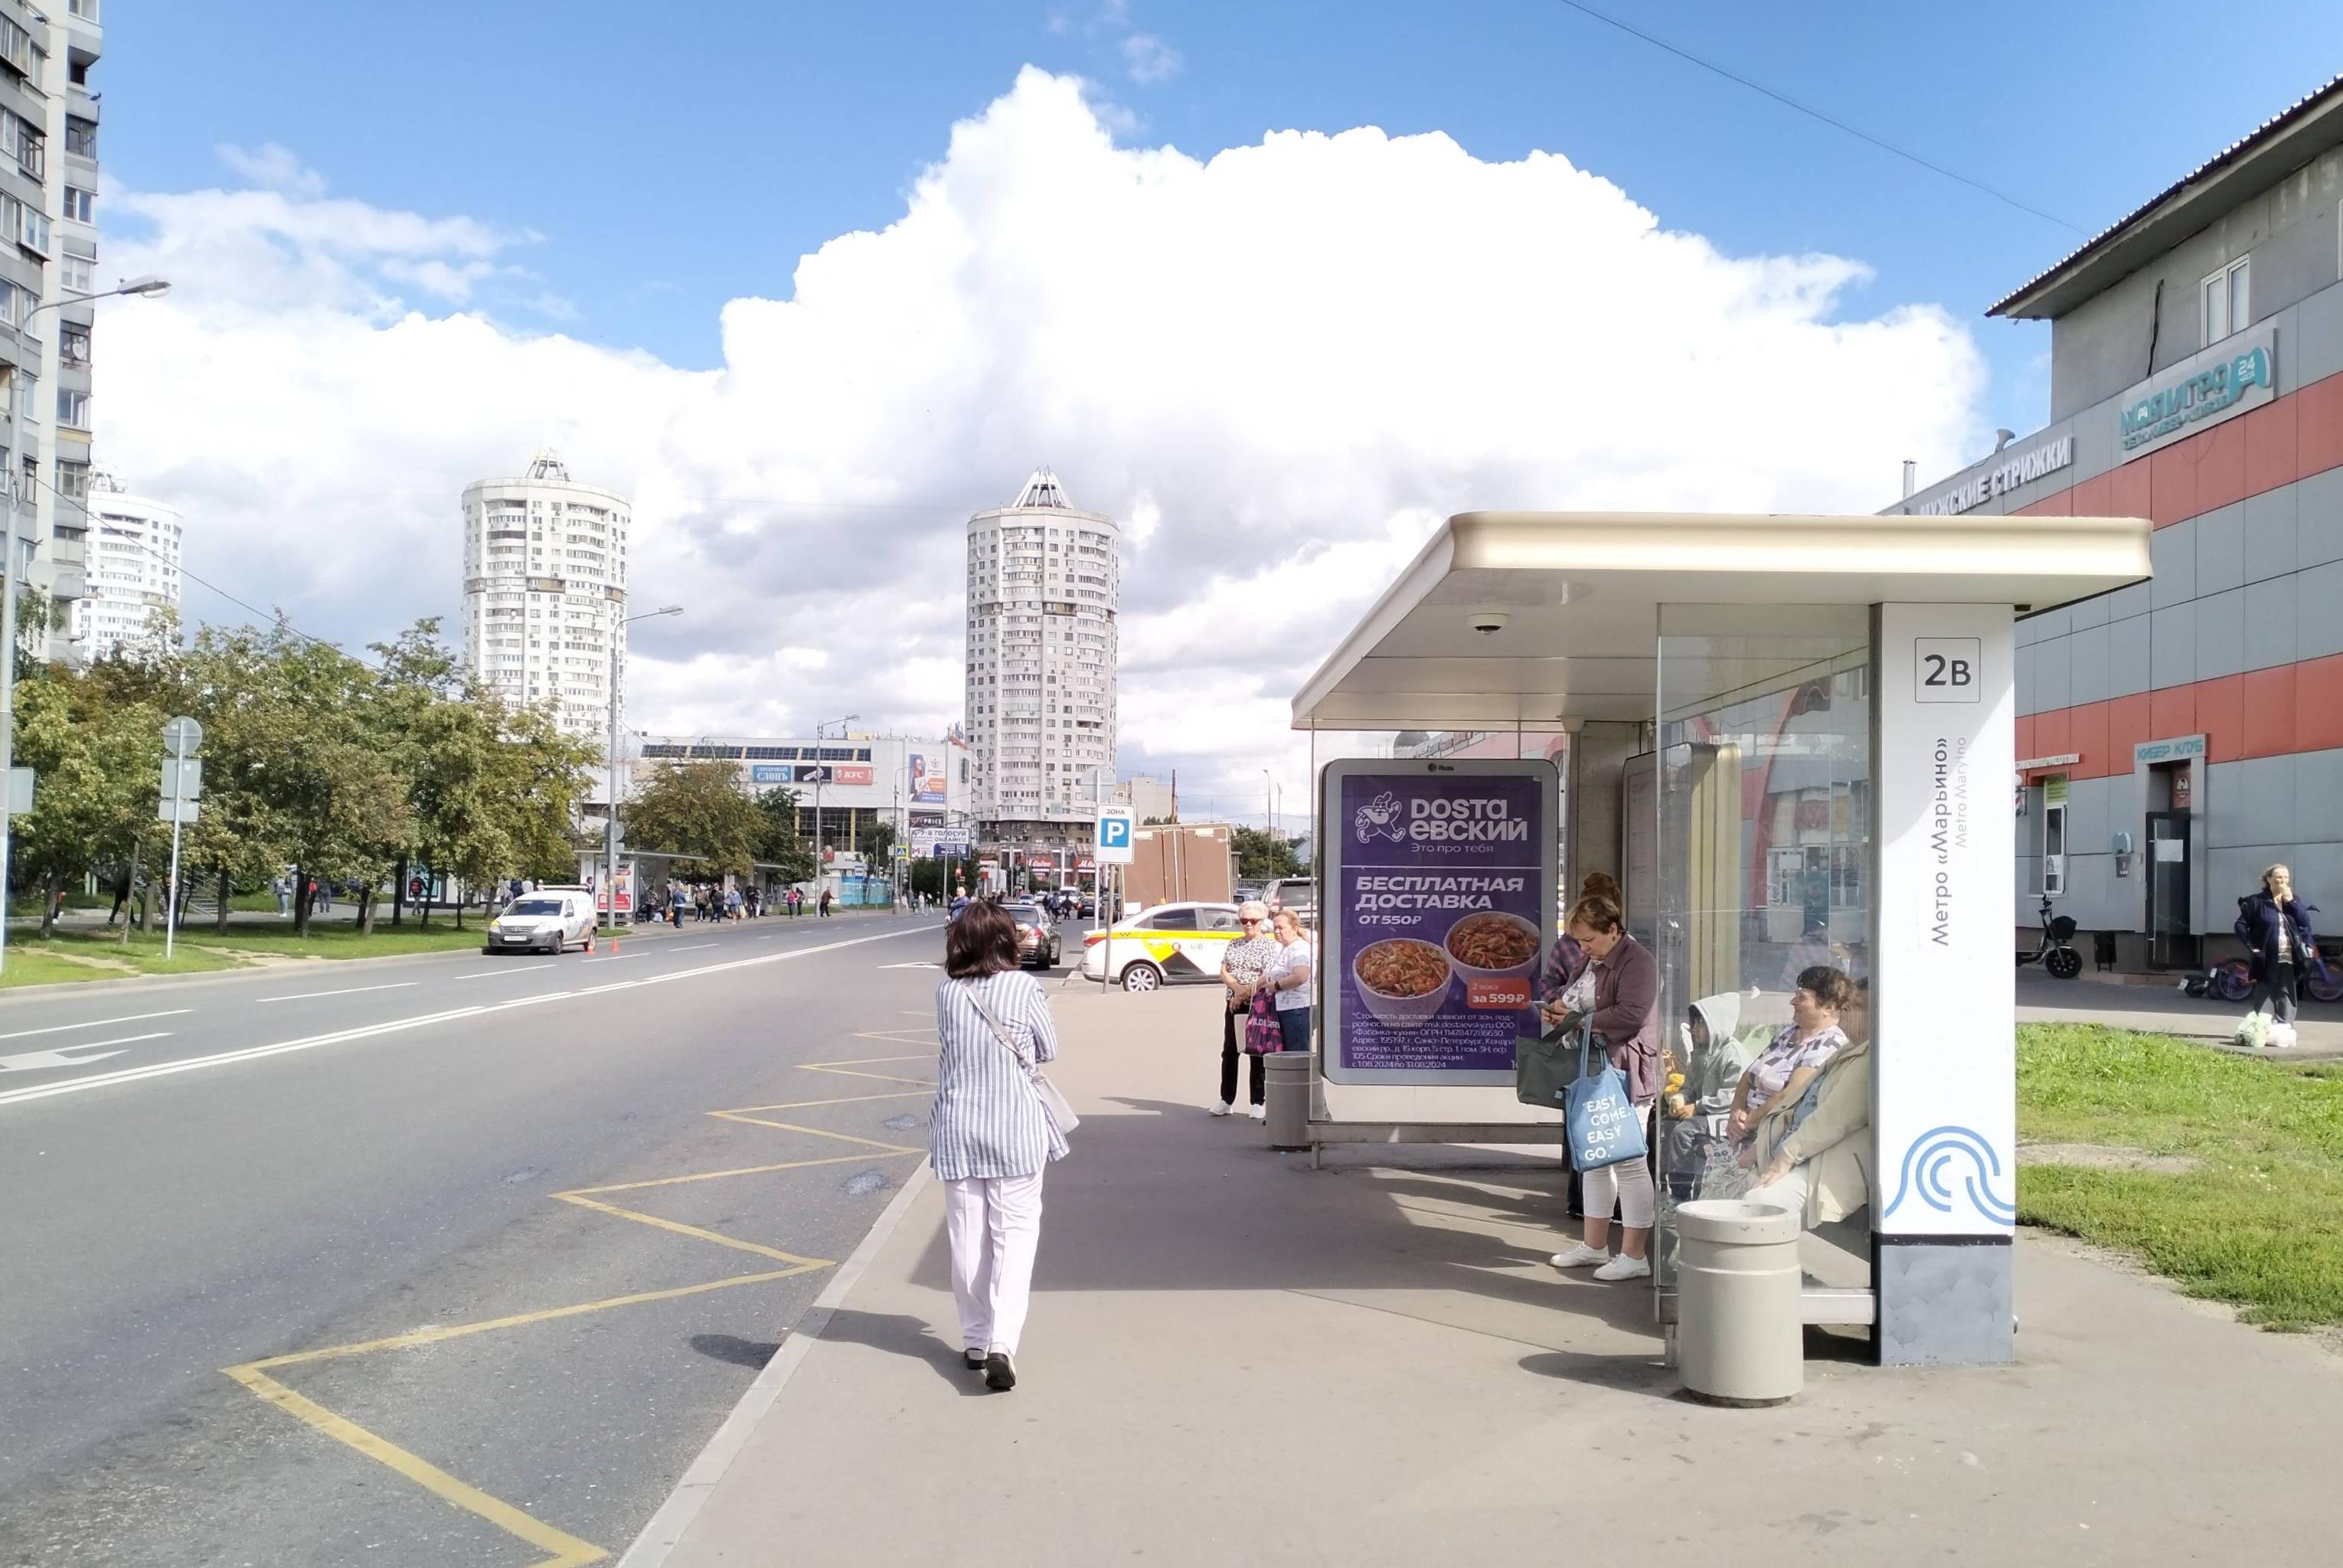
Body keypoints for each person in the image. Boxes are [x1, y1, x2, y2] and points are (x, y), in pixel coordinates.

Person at [932, 900, 1067, 1392]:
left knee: (967, 1239)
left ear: (961, 942)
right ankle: (1002, 1342)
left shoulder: (948, 992)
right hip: (1015, 1129)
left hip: (959, 1128)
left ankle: (974, 1339)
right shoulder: (1024, 987)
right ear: (1007, 940)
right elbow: (1048, 1048)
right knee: (1014, 1236)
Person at [1542, 895, 1661, 1282]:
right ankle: (1594, 1246)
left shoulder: (1638, 961)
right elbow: (1576, 998)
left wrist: (1575, 1020)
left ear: (1613, 930)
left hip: (1625, 1071)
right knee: (1594, 1160)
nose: (1583, 948)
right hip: (1594, 1068)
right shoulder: (1593, 959)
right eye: (1578, 941)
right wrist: (1559, 1013)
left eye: (1588, 939)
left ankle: (1635, 1255)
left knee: (1628, 1161)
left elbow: (1632, 1014)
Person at [1744, 981, 1872, 1226]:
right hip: (1800, 1149)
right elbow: (1799, 1102)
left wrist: (1785, 1158)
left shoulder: (1869, 1057)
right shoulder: (1848, 1049)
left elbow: (1833, 1118)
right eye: (1846, 1005)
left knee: (1760, 1203)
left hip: (1827, 1162)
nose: (1845, 1012)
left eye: (1857, 1006)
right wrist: (1758, 1148)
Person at [1727, 966, 1852, 1149]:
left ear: (1829, 1007)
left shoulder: (1829, 1043)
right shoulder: (1789, 1031)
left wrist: (1746, 1123)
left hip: (1776, 1141)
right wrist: (1736, 1111)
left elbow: (1792, 1094)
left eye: (1802, 998)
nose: (1793, 1002)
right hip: (1746, 1133)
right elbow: (1749, 1075)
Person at [1659, 991, 1755, 1200]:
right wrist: (1681, 1098)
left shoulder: (1734, 1055)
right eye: (1693, 1023)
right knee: (1661, 1126)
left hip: (1724, 1115)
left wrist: (1697, 1107)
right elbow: (1690, 1084)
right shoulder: (1701, 1052)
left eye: (1700, 1024)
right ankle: (1666, 1189)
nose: (1694, 1029)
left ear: (1717, 1024)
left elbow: (1731, 1096)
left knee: (1682, 1132)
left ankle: (1680, 1196)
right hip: (1705, 1112)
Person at [1213, 901, 1281, 1119]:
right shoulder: (1234, 943)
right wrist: (1236, 990)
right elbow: (1224, 971)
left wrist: (1244, 994)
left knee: (1256, 1051)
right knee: (1230, 1051)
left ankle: (1258, 1101)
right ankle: (1226, 1099)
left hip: (1257, 1003)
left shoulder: (1268, 945)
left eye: (1253, 920)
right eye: (1244, 920)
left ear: (1261, 922)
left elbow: (1267, 975)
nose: (1248, 924)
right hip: (1233, 1003)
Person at [2236, 864, 2314, 1047]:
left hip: (2289, 953)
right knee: (2266, 989)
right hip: (2267, 953)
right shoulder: (2256, 901)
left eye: (2286, 877)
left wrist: (2291, 902)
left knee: (2287, 989)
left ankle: (2285, 1027)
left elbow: (2304, 921)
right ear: (2269, 879)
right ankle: (2260, 1027)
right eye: (2279, 877)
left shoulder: (2293, 900)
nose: (2283, 881)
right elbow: (2240, 925)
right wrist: (2252, 947)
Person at [1263, 908, 1315, 1054]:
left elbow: (1300, 976)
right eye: (1275, 928)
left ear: (1294, 928)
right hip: (1284, 1009)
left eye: (1281, 928)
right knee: (1287, 1055)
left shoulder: (1299, 948)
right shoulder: (1286, 948)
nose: (1277, 932)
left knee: (1296, 1055)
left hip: (1296, 1010)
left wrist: (1276, 985)